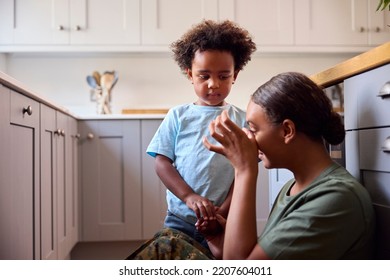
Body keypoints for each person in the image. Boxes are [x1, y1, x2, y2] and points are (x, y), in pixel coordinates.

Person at [127, 72, 375, 260]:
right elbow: (253, 253)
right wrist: (218, 237)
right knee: (166, 240)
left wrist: (245, 170)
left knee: (166, 248)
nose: (247, 137)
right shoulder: (293, 187)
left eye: (253, 129)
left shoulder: (335, 199)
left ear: (287, 130)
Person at [145, 19, 257, 248]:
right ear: (190, 74)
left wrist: (222, 211)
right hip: (179, 219)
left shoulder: (243, 119)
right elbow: (162, 163)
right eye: (204, 76)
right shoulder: (177, 116)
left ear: (235, 74)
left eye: (223, 76)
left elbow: (245, 170)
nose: (213, 84)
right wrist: (189, 197)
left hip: (226, 218)